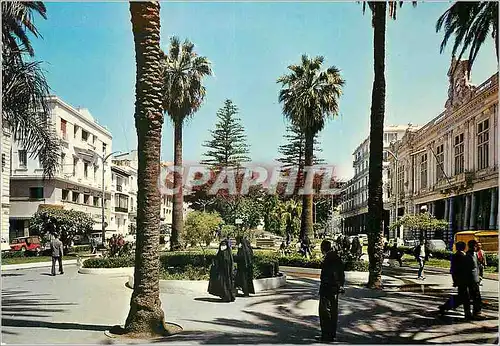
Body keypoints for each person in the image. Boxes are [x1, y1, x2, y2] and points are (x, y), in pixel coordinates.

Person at [317, 240, 345, 343]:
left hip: (327, 289)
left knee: (325, 313)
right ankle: (331, 335)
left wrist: (335, 285)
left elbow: (332, 274)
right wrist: (341, 285)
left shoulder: (329, 258)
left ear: (322, 248)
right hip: (334, 289)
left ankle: (326, 336)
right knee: (333, 312)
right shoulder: (336, 257)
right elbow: (341, 273)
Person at [438, 242, 472, 319]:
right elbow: (454, 269)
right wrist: (456, 280)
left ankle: (445, 307)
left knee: (462, 297)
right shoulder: (459, 256)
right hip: (462, 280)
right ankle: (467, 314)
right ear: (464, 247)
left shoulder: (459, 255)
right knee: (464, 297)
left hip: (462, 280)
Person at [466, 239, 483, 319]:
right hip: (470, 279)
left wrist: (479, 276)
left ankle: (477, 312)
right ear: (471, 246)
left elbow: (478, 266)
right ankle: (475, 313)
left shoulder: (475, 254)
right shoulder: (467, 255)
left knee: (476, 296)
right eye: (475, 245)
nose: (476, 247)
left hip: (476, 279)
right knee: (474, 296)